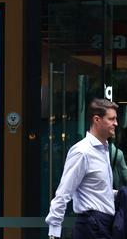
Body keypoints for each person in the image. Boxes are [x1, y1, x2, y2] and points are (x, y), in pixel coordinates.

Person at [45, 98, 119, 239]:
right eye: (111, 119)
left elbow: (95, 189)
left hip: (103, 225)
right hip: (92, 226)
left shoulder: (104, 150)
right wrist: (54, 233)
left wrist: (118, 194)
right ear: (97, 120)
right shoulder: (82, 152)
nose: (116, 123)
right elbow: (64, 192)